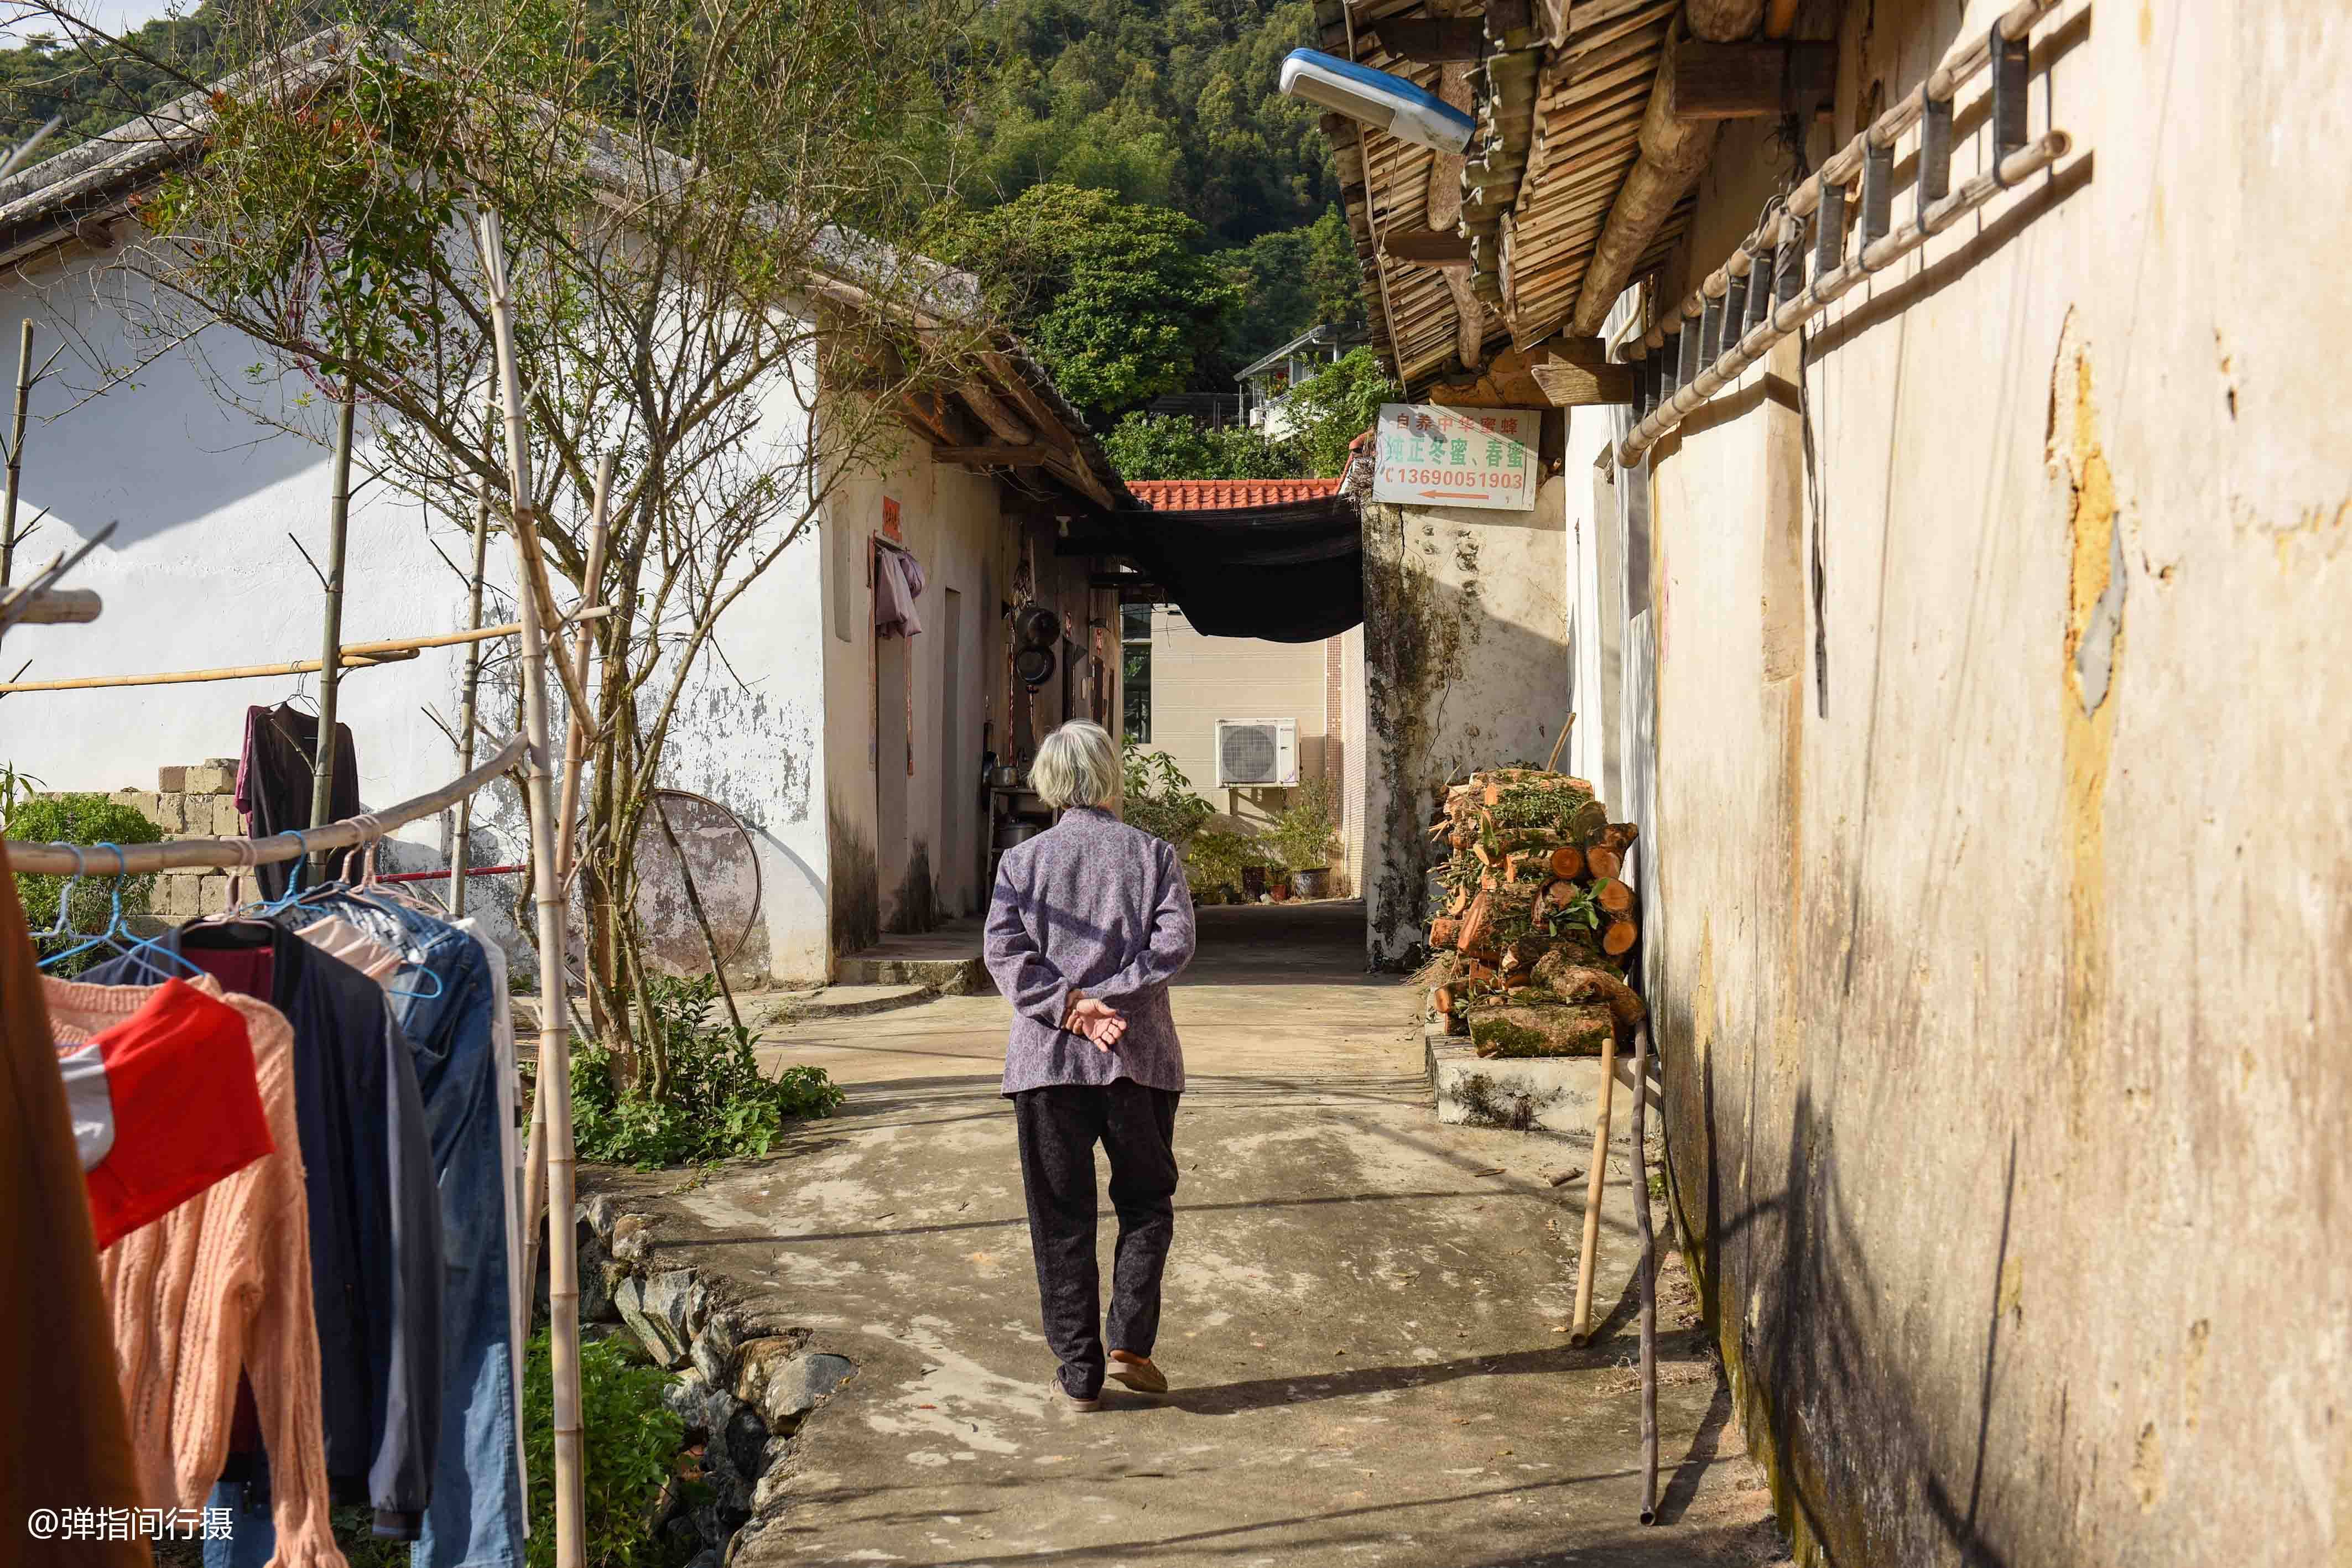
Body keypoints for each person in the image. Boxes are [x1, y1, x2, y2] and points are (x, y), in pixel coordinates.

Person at [984, 719, 1197, 1411]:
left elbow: (1005, 956)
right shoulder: (1153, 855)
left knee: (1060, 1216)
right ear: (1110, 776)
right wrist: (1107, 999)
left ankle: (1079, 1375)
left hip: (1047, 1066)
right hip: (1138, 1061)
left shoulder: (1022, 863)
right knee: (1145, 1202)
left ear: (1049, 782)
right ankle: (1130, 1344)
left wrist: (1071, 1006)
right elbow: (1173, 947)